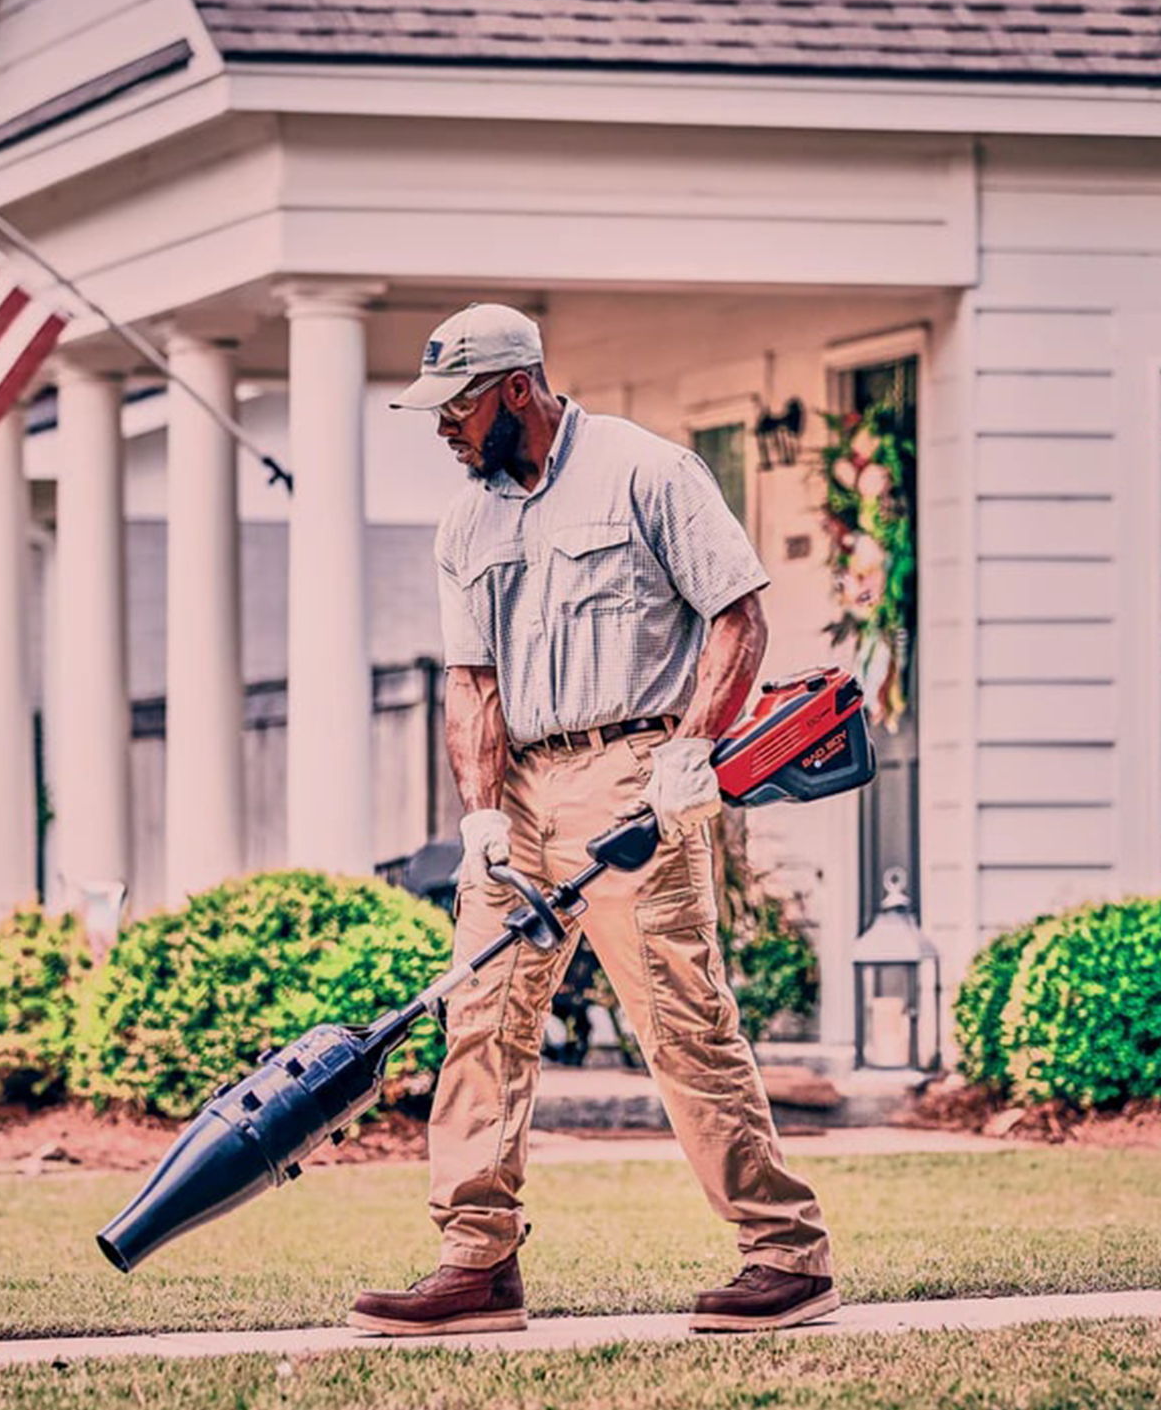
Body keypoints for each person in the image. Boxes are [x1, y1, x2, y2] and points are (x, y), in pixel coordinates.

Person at [349, 303, 834, 1337]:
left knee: (678, 1018)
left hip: (634, 770)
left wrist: (692, 751)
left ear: (517, 388)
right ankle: (477, 1258)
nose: (445, 428)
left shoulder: (645, 471)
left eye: (459, 407)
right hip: (518, 785)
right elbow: (470, 682)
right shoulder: (465, 520)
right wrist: (480, 817)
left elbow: (738, 613)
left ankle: (786, 1254)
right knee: (480, 1017)